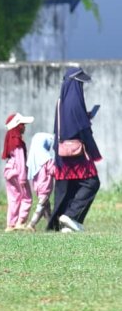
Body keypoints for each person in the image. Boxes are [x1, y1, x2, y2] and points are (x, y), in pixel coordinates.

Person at [48, 67, 101, 233]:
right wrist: (92, 148)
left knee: (68, 188)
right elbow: (81, 129)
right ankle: (71, 216)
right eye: (80, 84)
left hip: (62, 155)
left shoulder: (61, 102)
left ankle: (63, 224)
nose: (81, 87)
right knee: (92, 182)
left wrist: (85, 117)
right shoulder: (76, 103)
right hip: (76, 154)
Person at [2, 113, 34, 232]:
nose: (24, 127)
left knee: (13, 198)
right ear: (17, 126)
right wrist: (23, 178)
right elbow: (20, 160)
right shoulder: (17, 142)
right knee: (27, 197)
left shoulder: (10, 139)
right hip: (18, 172)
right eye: (23, 124)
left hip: (9, 171)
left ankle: (11, 224)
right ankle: (20, 222)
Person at [26, 132, 55, 231]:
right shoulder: (46, 158)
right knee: (42, 204)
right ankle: (32, 224)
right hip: (45, 186)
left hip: (37, 186)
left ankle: (51, 225)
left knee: (46, 206)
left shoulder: (33, 158)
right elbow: (52, 170)